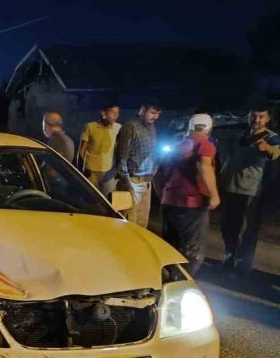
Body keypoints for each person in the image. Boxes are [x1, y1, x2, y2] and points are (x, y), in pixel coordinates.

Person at [154, 113, 220, 276]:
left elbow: (157, 174)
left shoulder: (175, 145)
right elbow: (204, 167)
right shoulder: (205, 145)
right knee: (192, 251)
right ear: (209, 129)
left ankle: (166, 280)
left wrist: (163, 195)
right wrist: (214, 195)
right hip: (193, 205)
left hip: (170, 202)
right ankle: (181, 283)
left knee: (171, 246)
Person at [218, 104, 280, 273]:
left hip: (251, 191)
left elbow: (274, 151)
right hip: (230, 187)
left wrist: (266, 149)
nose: (257, 120)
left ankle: (242, 266)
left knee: (245, 230)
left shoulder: (271, 137)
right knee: (228, 226)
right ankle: (228, 259)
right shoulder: (239, 134)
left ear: (268, 119)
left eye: (261, 117)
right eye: (254, 116)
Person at [116, 101, 162, 228]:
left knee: (142, 222)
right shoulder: (130, 127)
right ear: (142, 111)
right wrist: (127, 183)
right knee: (129, 222)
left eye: (158, 114)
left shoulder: (152, 128)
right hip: (133, 180)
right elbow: (122, 157)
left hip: (147, 181)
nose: (155, 116)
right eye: (152, 112)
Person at [78, 103, 121, 195]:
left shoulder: (118, 128)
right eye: (112, 112)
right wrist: (82, 169)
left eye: (117, 113)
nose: (115, 115)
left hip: (109, 172)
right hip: (91, 172)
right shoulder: (90, 127)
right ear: (103, 113)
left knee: (107, 201)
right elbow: (81, 150)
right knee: (91, 199)